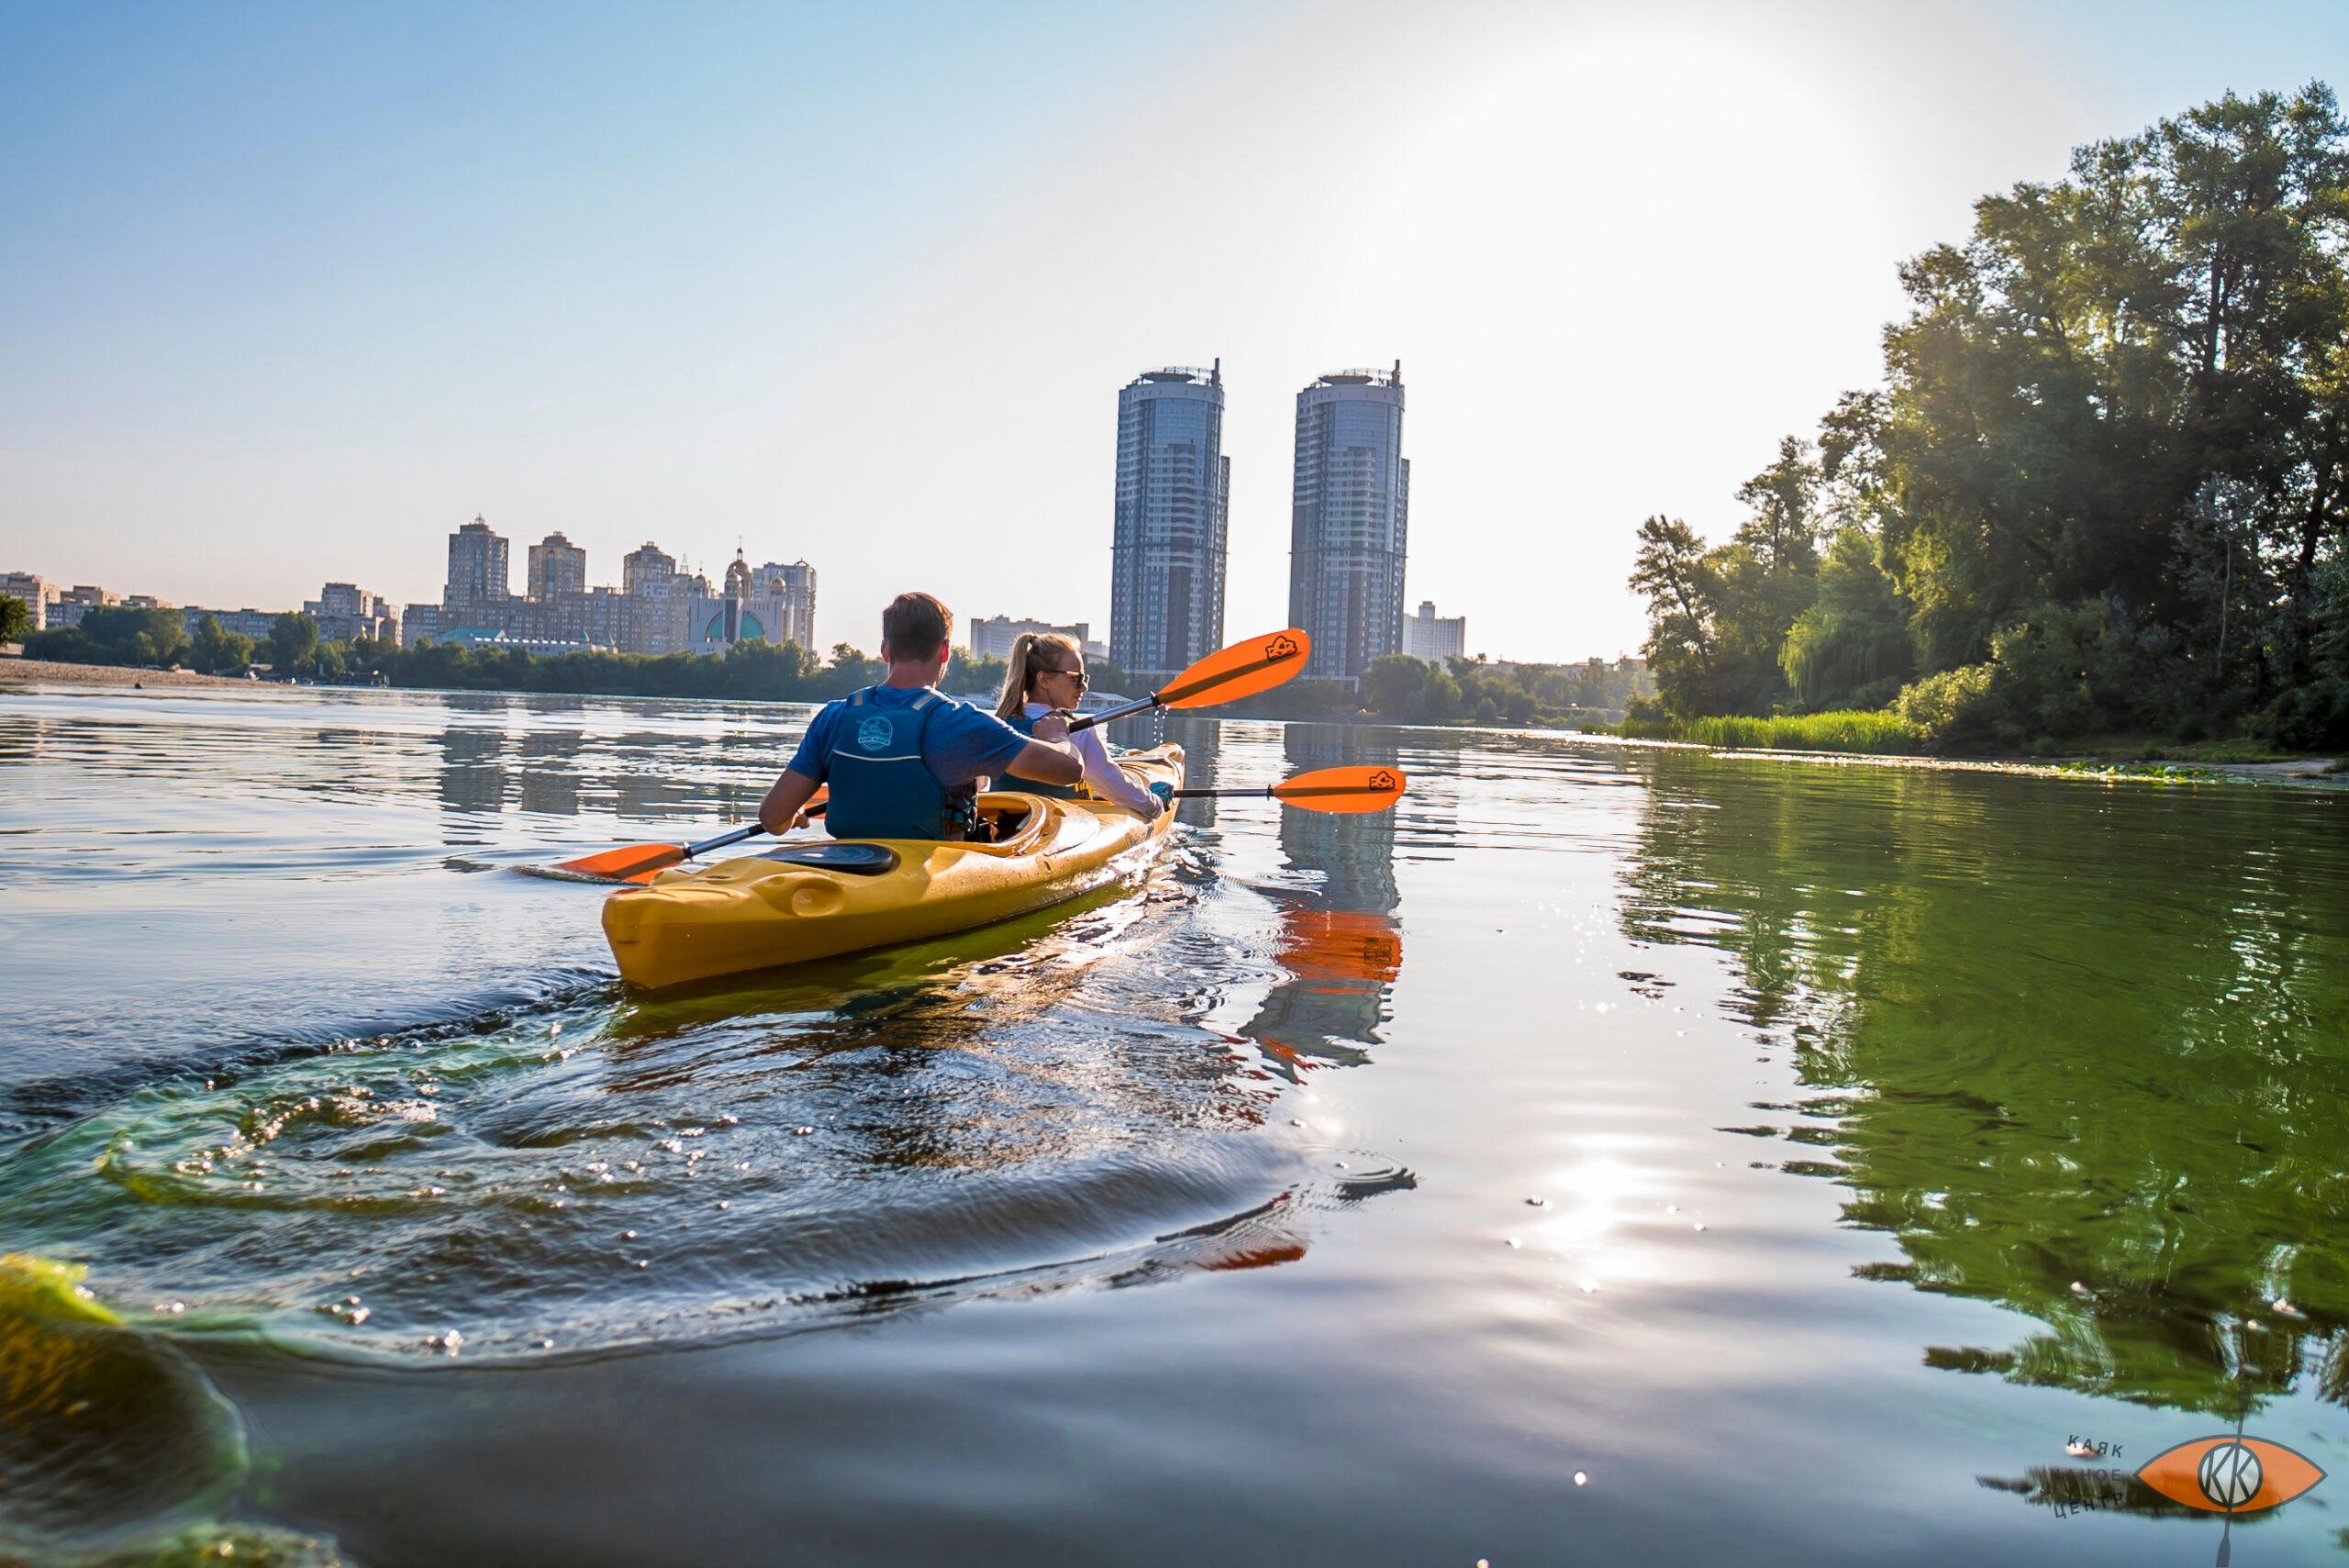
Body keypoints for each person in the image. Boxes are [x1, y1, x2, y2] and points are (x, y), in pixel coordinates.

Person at [756, 593, 1082, 840]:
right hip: (925, 876)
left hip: (846, 864)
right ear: (944, 652)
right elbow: (1068, 771)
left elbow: (772, 817)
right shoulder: (962, 723)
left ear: (885, 650)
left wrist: (792, 815)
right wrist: (1057, 737)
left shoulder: (833, 716)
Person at [991, 632, 1163, 820]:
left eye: (1085, 678)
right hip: (1052, 833)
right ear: (1044, 680)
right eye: (1076, 678)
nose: (1084, 687)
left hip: (1002, 827)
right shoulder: (1076, 730)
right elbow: (1112, 784)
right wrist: (1155, 805)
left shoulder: (997, 724)